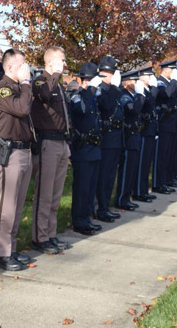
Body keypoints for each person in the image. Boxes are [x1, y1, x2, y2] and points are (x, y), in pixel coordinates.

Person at [0, 48, 33, 271]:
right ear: (9, 68)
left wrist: (24, 85)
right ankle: (0, 252)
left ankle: (10, 249)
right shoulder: (2, 89)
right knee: (6, 205)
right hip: (9, 153)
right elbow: (23, 109)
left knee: (16, 205)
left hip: (24, 151)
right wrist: (26, 83)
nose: (27, 69)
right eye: (22, 65)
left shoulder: (18, 88)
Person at [30, 46, 71, 254]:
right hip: (47, 143)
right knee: (44, 193)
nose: (65, 65)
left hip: (61, 143)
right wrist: (54, 74)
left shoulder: (59, 84)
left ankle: (51, 234)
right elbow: (45, 95)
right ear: (51, 62)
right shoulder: (40, 80)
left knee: (55, 194)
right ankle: (40, 237)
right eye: (62, 61)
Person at [69, 63, 103, 236]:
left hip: (94, 147)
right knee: (82, 188)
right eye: (89, 80)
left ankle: (87, 217)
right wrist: (89, 91)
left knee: (90, 187)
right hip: (82, 149)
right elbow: (80, 111)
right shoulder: (77, 95)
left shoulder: (94, 97)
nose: (92, 83)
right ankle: (79, 221)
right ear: (82, 81)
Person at [95, 56, 123, 223]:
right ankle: (101, 208)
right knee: (104, 175)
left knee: (110, 175)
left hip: (115, 138)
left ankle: (105, 206)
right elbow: (105, 106)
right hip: (106, 139)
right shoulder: (101, 88)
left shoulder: (111, 88)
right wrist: (113, 88)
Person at [114, 70, 145, 211]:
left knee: (132, 168)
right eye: (134, 81)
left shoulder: (132, 95)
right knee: (126, 169)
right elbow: (134, 110)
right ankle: (121, 199)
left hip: (135, 135)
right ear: (126, 83)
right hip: (128, 136)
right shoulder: (124, 95)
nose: (136, 83)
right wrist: (140, 94)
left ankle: (127, 197)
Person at [152, 60, 177, 195]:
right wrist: (175, 80)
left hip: (170, 122)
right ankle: (158, 183)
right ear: (166, 70)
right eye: (172, 70)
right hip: (163, 123)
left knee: (168, 154)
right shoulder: (160, 82)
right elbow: (166, 94)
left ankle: (165, 180)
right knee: (161, 155)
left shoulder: (168, 82)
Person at [133, 67, 159, 202]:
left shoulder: (146, 90)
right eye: (148, 76)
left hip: (150, 129)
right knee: (142, 162)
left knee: (146, 162)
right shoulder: (140, 90)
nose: (150, 78)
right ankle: (138, 191)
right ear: (141, 77)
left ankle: (143, 190)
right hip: (144, 129)